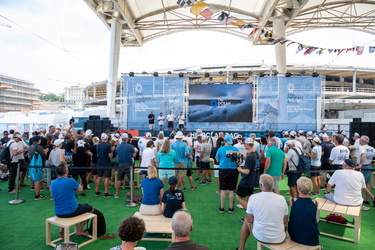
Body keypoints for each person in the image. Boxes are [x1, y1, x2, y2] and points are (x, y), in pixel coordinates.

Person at [238, 174, 288, 250]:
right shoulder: (282, 198)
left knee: (246, 220)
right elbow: (285, 221)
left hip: (261, 236)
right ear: (272, 185)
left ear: (261, 185)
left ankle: (241, 248)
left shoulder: (253, 197)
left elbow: (249, 220)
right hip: (279, 237)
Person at [51, 164, 94, 238]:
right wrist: (73, 190)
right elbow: (80, 189)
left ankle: (62, 229)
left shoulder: (53, 182)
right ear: (67, 171)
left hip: (58, 211)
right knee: (90, 208)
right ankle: (79, 230)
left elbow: (57, 193)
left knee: (75, 206)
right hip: (71, 210)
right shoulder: (70, 181)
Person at [288, 177, 320, 246]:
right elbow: (316, 219)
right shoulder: (315, 202)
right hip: (311, 237)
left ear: (298, 189)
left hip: (294, 235)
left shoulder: (292, 200)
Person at [216, 134, 239, 214]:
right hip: (233, 170)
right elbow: (238, 160)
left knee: (223, 190)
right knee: (231, 190)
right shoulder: (235, 149)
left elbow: (217, 159)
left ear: (224, 141)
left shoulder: (220, 149)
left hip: (223, 170)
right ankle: (230, 208)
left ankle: (222, 208)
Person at [236, 138, 259, 212]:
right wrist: (240, 154)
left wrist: (240, 169)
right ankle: (252, 215)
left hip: (246, 180)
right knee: (249, 196)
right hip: (253, 179)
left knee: (238, 197)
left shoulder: (250, 156)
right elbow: (251, 161)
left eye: (245, 144)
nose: (244, 146)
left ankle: (250, 212)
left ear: (248, 145)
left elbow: (247, 171)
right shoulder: (255, 153)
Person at [115, 133, 136, 199]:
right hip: (128, 164)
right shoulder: (130, 146)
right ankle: (133, 194)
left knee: (119, 179)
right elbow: (134, 155)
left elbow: (117, 156)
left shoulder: (118, 146)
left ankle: (117, 194)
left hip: (121, 164)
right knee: (131, 179)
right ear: (127, 139)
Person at [28, 135, 49, 200]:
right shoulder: (39, 147)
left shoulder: (30, 147)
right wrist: (46, 152)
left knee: (35, 178)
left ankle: (35, 190)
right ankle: (37, 195)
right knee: (38, 179)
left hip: (32, 164)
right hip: (39, 164)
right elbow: (43, 155)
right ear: (38, 141)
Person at [356, 135, 375, 205]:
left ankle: (372, 197)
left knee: (361, 184)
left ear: (362, 141)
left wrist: (360, 164)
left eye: (360, 140)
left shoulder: (361, 148)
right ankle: (366, 199)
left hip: (363, 167)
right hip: (369, 166)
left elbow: (363, 155)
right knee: (367, 183)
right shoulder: (372, 148)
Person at [95, 133, 114, 198]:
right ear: (106, 138)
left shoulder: (98, 145)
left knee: (99, 177)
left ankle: (97, 191)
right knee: (106, 177)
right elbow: (110, 156)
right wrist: (112, 151)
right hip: (106, 163)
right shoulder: (107, 145)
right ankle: (106, 192)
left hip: (99, 162)